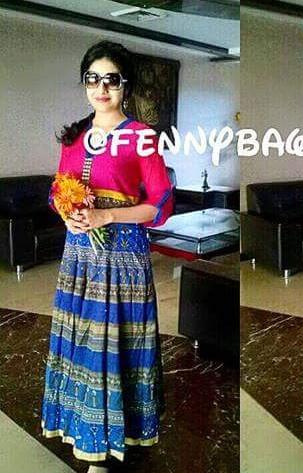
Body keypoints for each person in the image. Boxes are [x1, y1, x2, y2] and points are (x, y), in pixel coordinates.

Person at [41, 40, 174, 473]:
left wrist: (107, 215)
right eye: (93, 79)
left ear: (125, 85)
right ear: (85, 84)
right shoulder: (73, 137)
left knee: (114, 346)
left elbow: (159, 204)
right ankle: (81, 429)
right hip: (78, 258)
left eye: (111, 80)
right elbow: (58, 190)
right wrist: (68, 214)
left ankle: (113, 439)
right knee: (81, 343)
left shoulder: (141, 137)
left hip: (123, 259)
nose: (101, 88)